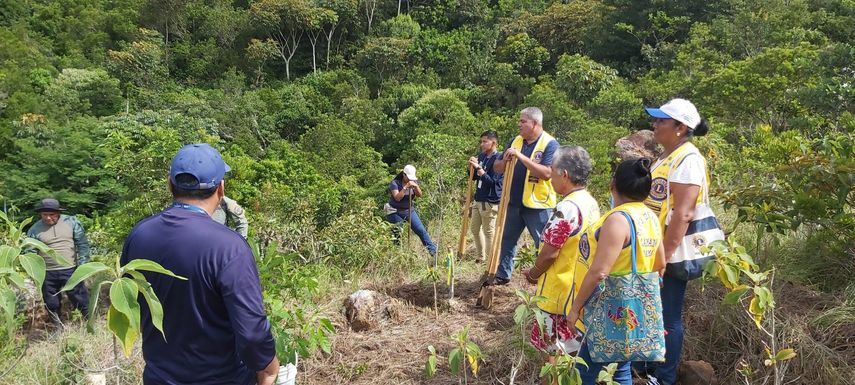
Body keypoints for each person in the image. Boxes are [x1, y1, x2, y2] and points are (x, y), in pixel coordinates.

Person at [120, 143, 280, 385]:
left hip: (159, 377)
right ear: (221, 188)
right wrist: (268, 371)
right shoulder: (229, 247)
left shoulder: (139, 235)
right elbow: (251, 333)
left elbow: (134, 306)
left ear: (169, 184)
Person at [565, 158, 667, 385]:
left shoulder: (618, 221)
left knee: (584, 372)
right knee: (622, 368)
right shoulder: (650, 216)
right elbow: (660, 264)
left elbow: (599, 272)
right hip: (635, 311)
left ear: (613, 184)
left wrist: (575, 308)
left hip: (609, 308)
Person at [639, 98, 712, 385]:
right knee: (650, 308)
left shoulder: (688, 159)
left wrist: (663, 258)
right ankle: (646, 366)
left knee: (668, 314)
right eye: (655, 120)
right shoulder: (667, 156)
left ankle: (665, 377)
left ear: (681, 127)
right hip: (652, 247)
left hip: (670, 250)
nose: (655, 125)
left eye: (662, 121)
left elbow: (683, 213)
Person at [521, 146, 601, 369]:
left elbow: (550, 253)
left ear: (563, 174)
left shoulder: (566, 208)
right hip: (580, 288)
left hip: (559, 294)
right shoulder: (590, 202)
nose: (550, 175)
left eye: (552, 170)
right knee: (571, 354)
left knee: (555, 357)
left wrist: (534, 273)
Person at [493, 107, 559, 284]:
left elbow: (547, 173)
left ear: (535, 124)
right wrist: (505, 161)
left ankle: (545, 277)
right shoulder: (515, 141)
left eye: (523, 121)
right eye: (519, 121)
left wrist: (521, 157)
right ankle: (503, 274)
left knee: (543, 243)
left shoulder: (550, 144)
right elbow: (497, 167)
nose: (519, 124)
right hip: (513, 201)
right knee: (507, 239)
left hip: (538, 205)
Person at [26, 198, 90, 325]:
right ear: (40, 214)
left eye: (52, 215)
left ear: (58, 213)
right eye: (45, 215)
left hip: (70, 269)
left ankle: (89, 322)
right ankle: (57, 327)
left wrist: (83, 266)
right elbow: (31, 252)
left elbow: (82, 244)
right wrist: (34, 272)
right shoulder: (34, 229)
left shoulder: (71, 222)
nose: (48, 218)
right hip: (47, 272)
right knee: (51, 302)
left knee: (79, 297)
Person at [385, 164, 438, 256]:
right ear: (404, 175)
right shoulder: (395, 183)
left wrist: (416, 187)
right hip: (394, 211)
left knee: (421, 230)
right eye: (408, 177)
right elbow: (397, 198)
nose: (410, 179)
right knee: (397, 233)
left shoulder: (414, 182)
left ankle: (433, 251)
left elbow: (419, 195)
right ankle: (397, 255)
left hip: (409, 210)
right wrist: (405, 187)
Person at [467, 130, 503, 262]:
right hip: (478, 199)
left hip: (489, 201)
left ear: (493, 143)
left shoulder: (499, 159)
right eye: (481, 141)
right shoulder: (482, 156)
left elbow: (493, 182)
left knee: (489, 232)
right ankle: (480, 257)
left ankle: (491, 262)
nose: (482, 144)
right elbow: (473, 177)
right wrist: (471, 166)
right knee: (475, 229)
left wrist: (480, 170)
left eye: (485, 141)